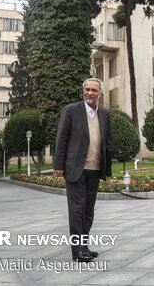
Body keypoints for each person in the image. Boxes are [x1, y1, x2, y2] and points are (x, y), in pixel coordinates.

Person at [54, 78, 113, 262]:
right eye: (87, 89)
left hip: (95, 169)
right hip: (75, 169)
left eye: (94, 90)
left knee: (88, 210)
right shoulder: (71, 111)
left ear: (100, 94)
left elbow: (107, 143)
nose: (90, 93)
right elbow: (61, 139)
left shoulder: (104, 114)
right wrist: (58, 165)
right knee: (77, 210)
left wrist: (107, 169)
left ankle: (84, 246)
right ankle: (77, 251)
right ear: (83, 91)